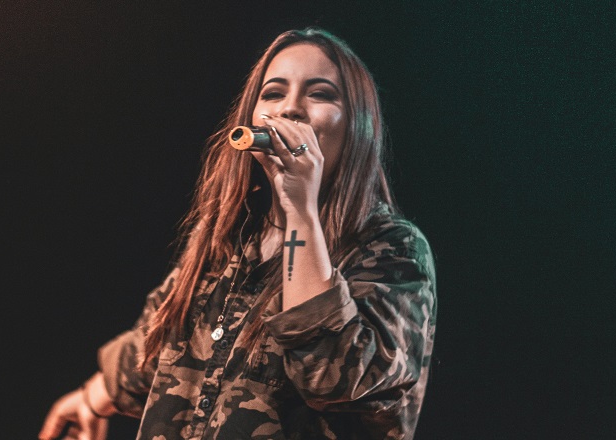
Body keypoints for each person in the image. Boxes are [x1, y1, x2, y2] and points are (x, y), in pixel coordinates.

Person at [39, 27, 436, 440]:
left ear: (358, 124)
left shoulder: (391, 248)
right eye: (273, 93)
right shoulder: (230, 237)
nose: (290, 109)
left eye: (319, 94)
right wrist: (90, 397)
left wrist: (300, 208)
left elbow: (331, 379)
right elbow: (161, 337)